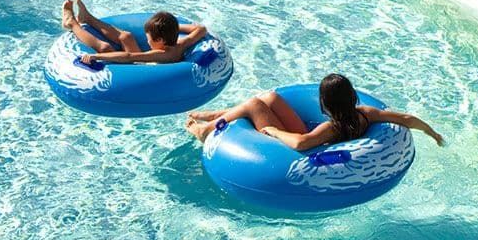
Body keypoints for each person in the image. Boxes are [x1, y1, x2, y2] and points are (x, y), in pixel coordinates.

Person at [185, 72, 444, 150]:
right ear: (352, 96)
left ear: (325, 103)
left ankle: (207, 130)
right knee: (271, 98)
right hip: (317, 137)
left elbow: (301, 143)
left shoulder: (330, 128)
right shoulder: (366, 113)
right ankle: (218, 113)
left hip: (292, 148)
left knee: (255, 105)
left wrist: (274, 131)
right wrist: (432, 133)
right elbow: (407, 119)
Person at [62, 0, 208, 65]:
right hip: (142, 64)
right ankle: (88, 19)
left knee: (105, 48)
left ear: (160, 40)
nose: (147, 41)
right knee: (127, 37)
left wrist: (97, 56)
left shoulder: (159, 54)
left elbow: (129, 57)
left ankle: (72, 24)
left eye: (149, 38)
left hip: (139, 70)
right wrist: (173, 28)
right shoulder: (180, 45)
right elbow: (201, 29)